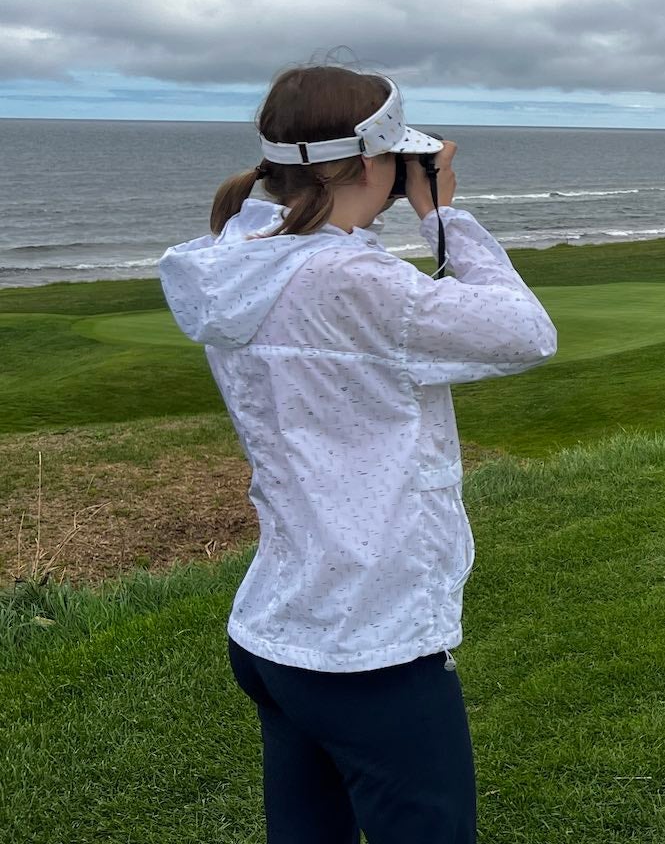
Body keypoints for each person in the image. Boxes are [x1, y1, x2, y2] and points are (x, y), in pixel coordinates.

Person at [158, 64, 558, 842]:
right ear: (376, 161)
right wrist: (444, 215)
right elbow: (526, 333)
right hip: (369, 643)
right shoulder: (355, 281)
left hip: (279, 624)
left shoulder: (234, 260)